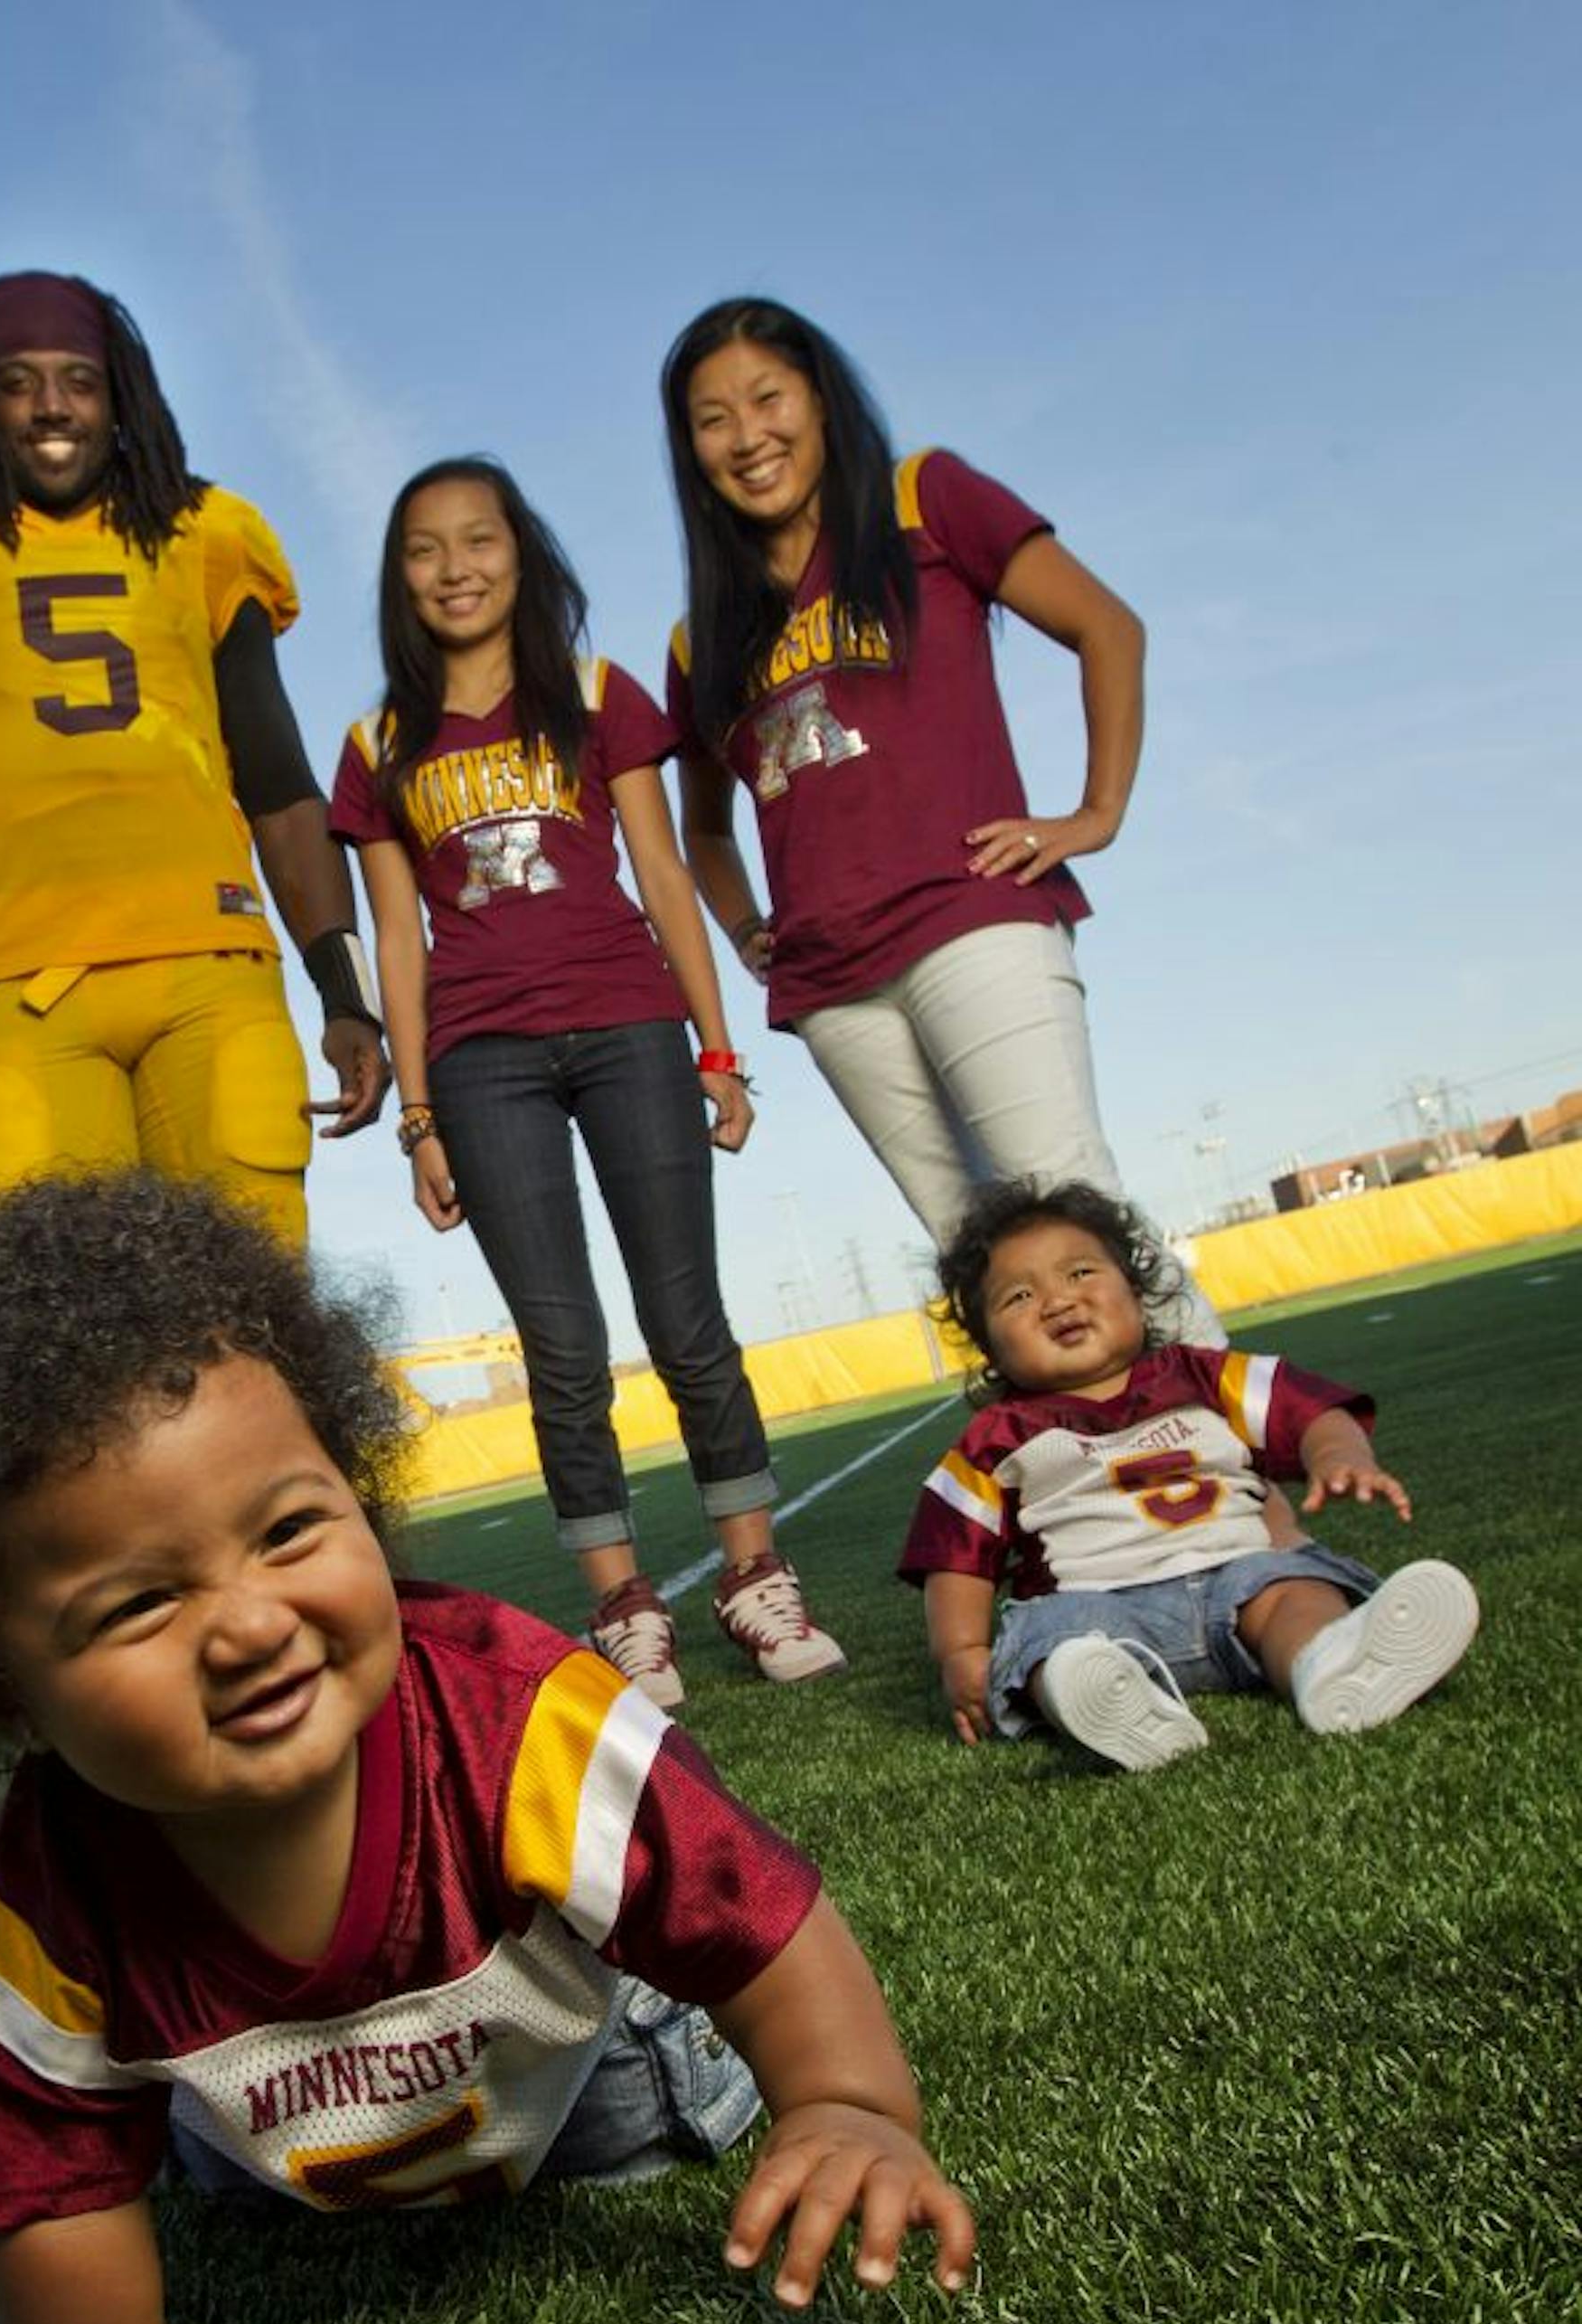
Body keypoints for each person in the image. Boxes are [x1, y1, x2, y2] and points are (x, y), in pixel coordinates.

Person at [0, 1171, 975, 2324]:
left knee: (661, 2072)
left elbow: (753, 1915)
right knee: (180, 2155)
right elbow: (52, 2185)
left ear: (358, 1490)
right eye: (141, 1604)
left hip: (577, 2079)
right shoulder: (45, 1907)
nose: (250, 1623)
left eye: (289, 1531)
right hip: (281, 2165)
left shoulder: (519, 1718)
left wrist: (844, 2103)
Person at [328, 458, 844, 1703]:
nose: (456, 567)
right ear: (399, 578)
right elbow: (396, 938)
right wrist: (416, 1119)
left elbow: (665, 872)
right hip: (480, 1060)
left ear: (524, 553)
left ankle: (753, 1576)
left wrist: (716, 1045)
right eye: (425, 549)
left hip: (628, 1027)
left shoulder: (598, 693)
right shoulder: (380, 741)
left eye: (480, 540)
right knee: (561, 1345)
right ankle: (623, 1607)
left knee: (688, 1320)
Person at [658, 296, 1222, 1338]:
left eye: (767, 398)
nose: (748, 437)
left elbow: (1109, 626)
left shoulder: (924, 497)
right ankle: (1085, 1496)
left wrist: (1093, 813)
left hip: (974, 918)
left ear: (821, 401)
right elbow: (703, 830)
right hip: (831, 984)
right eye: (712, 419)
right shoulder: (701, 638)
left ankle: (1249, 1495)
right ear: (689, 450)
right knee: (983, 1268)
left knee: (1075, 1223)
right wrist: (748, 931)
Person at [0, 269, 388, 1242]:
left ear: (120, 395)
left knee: (250, 1321)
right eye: (19, 381)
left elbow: (283, 791)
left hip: (212, 972)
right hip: (18, 991)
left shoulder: (205, 533)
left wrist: (347, 999)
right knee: (57, 1355)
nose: (51, 407)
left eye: (79, 380)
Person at [897, 1179, 1479, 1770]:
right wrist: (961, 1650)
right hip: (1095, 1605)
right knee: (1058, 1643)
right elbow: (956, 1555)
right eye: (1019, 1295)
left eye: (1079, 1273)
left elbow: (1306, 1409)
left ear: (1135, 1286)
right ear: (988, 1346)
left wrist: (1337, 1453)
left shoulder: (1204, 1376)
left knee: (1293, 1591)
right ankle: (1117, 1709)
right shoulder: (996, 1438)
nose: (1057, 1300)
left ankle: (1329, 1664)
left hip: (1238, 1575)